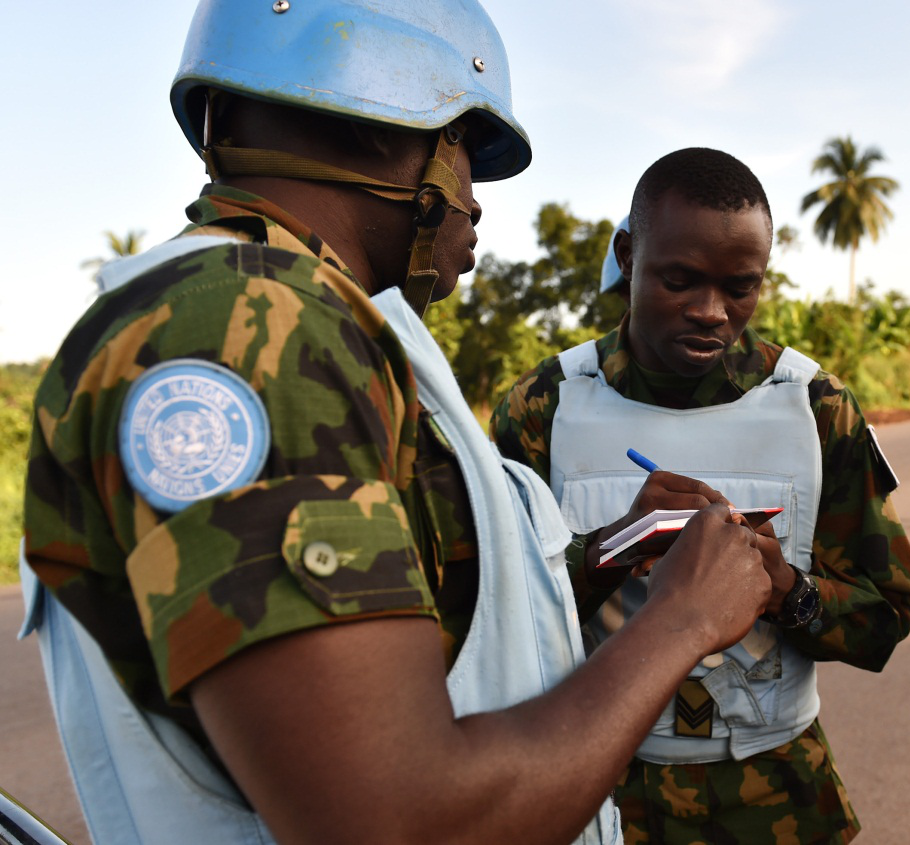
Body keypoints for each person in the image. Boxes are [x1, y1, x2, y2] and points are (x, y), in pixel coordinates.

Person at [19, 4, 774, 844]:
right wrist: (683, 619)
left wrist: (608, 551)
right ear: (387, 125)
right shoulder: (251, 331)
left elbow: (438, 616)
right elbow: (399, 819)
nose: (474, 202)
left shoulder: (303, 323)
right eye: (467, 149)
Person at [492, 148, 910, 844]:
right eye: (680, 280)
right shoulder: (545, 405)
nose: (710, 312)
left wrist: (784, 589)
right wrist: (615, 546)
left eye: (740, 288)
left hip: (775, 796)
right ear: (628, 256)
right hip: (598, 790)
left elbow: (888, 610)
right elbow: (491, 616)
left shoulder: (814, 407)